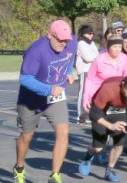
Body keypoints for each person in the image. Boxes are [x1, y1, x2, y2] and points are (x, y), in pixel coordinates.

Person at [14, 20, 77, 183]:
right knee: (27, 137)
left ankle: (55, 175)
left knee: (63, 131)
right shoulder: (36, 50)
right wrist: (48, 89)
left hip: (55, 99)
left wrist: (70, 71)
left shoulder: (70, 43)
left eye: (66, 40)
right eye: (60, 40)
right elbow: (25, 79)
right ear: (50, 35)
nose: (63, 44)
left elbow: (69, 60)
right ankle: (19, 167)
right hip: (31, 100)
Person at [77, 74, 127, 182]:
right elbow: (94, 114)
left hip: (120, 111)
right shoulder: (109, 88)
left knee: (119, 144)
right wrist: (110, 126)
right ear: (122, 85)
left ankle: (109, 170)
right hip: (101, 112)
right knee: (98, 147)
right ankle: (88, 157)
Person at [82, 37, 127, 113]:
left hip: (116, 94)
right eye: (115, 47)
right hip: (98, 94)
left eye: (119, 47)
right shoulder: (99, 60)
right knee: (101, 121)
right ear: (108, 47)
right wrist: (85, 97)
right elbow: (89, 79)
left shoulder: (124, 58)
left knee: (118, 121)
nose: (117, 49)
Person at [75, 25, 99, 125]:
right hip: (85, 70)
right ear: (84, 33)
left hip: (93, 70)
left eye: (92, 33)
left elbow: (97, 55)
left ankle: (88, 113)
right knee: (83, 92)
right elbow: (88, 57)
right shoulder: (81, 43)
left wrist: (94, 56)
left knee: (91, 93)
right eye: (89, 33)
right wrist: (94, 57)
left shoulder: (92, 43)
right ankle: (81, 115)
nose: (91, 35)